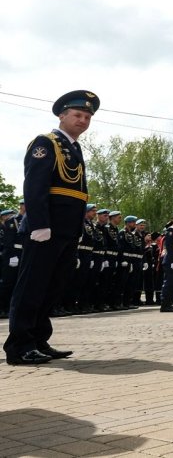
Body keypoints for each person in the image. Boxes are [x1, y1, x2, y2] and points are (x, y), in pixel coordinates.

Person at [4, 90, 98, 365]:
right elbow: (35, 186)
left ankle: (38, 339)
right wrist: (40, 225)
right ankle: (19, 346)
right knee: (31, 287)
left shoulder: (74, 147)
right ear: (62, 116)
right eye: (78, 115)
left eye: (87, 117)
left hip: (67, 231)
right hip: (46, 230)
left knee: (51, 288)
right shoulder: (47, 142)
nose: (83, 120)